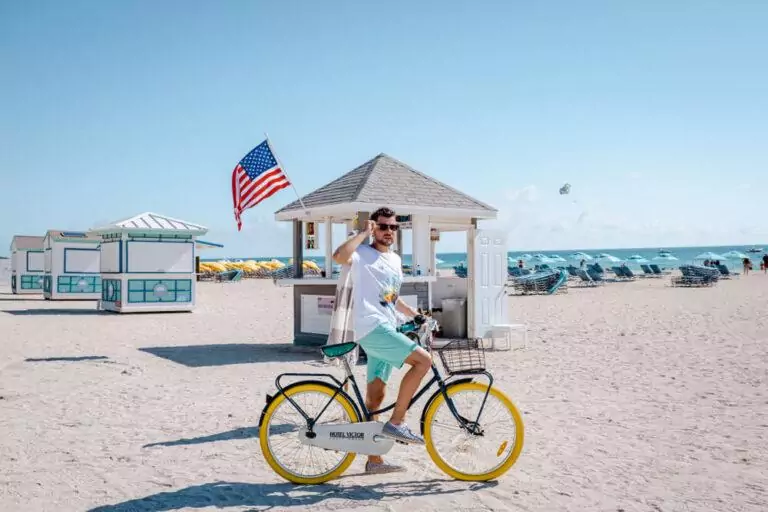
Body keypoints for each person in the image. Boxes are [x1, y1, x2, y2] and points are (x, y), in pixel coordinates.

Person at [332, 207, 432, 474]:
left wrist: (414, 314)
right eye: (383, 226)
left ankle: (374, 461)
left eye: (393, 227)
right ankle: (397, 422)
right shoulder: (363, 253)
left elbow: (390, 296)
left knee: (375, 397)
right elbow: (338, 256)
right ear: (374, 228)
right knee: (423, 362)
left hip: (386, 324)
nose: (389, 231)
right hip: (372, 327)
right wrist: (363, 233)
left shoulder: (396, 260)